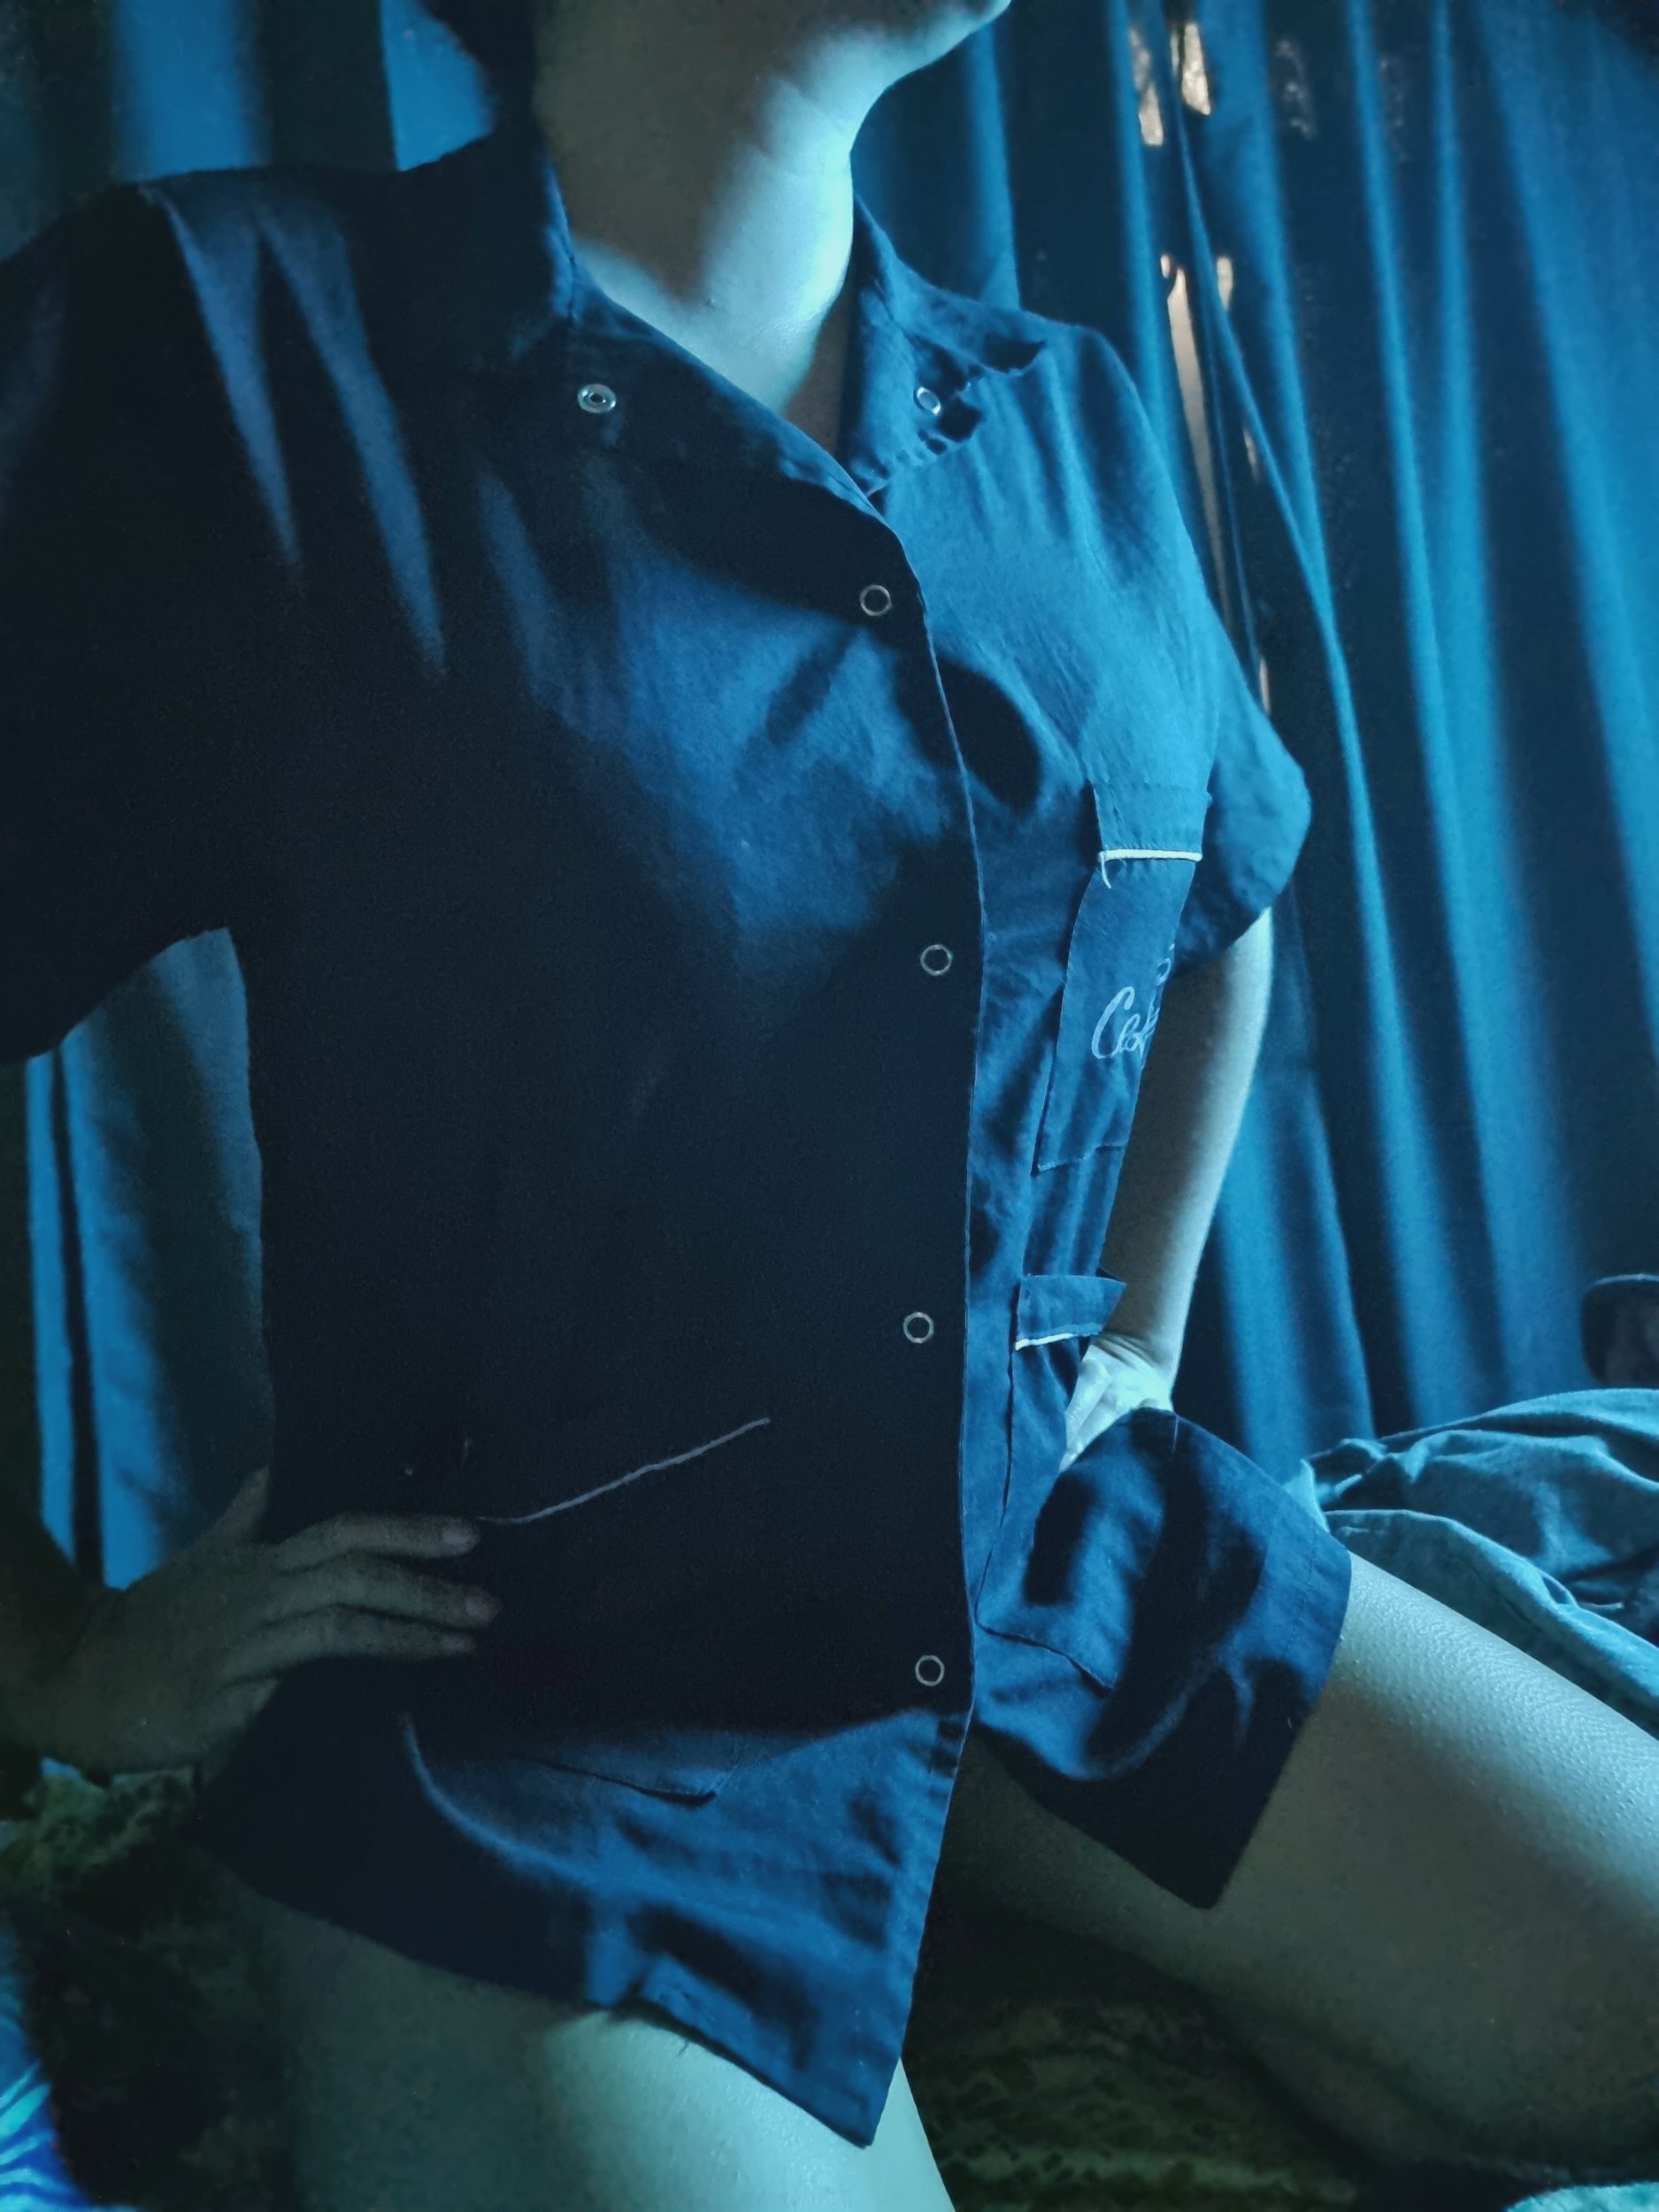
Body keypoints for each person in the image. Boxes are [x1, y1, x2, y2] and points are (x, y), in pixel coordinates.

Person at [2, 2, 1656, 2206]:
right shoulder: (222, 338)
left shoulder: (1061, 414)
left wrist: (1131, 1337)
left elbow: (1220, 899)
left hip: (1044, 1551)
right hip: (530, 1685)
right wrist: (62, 1653)